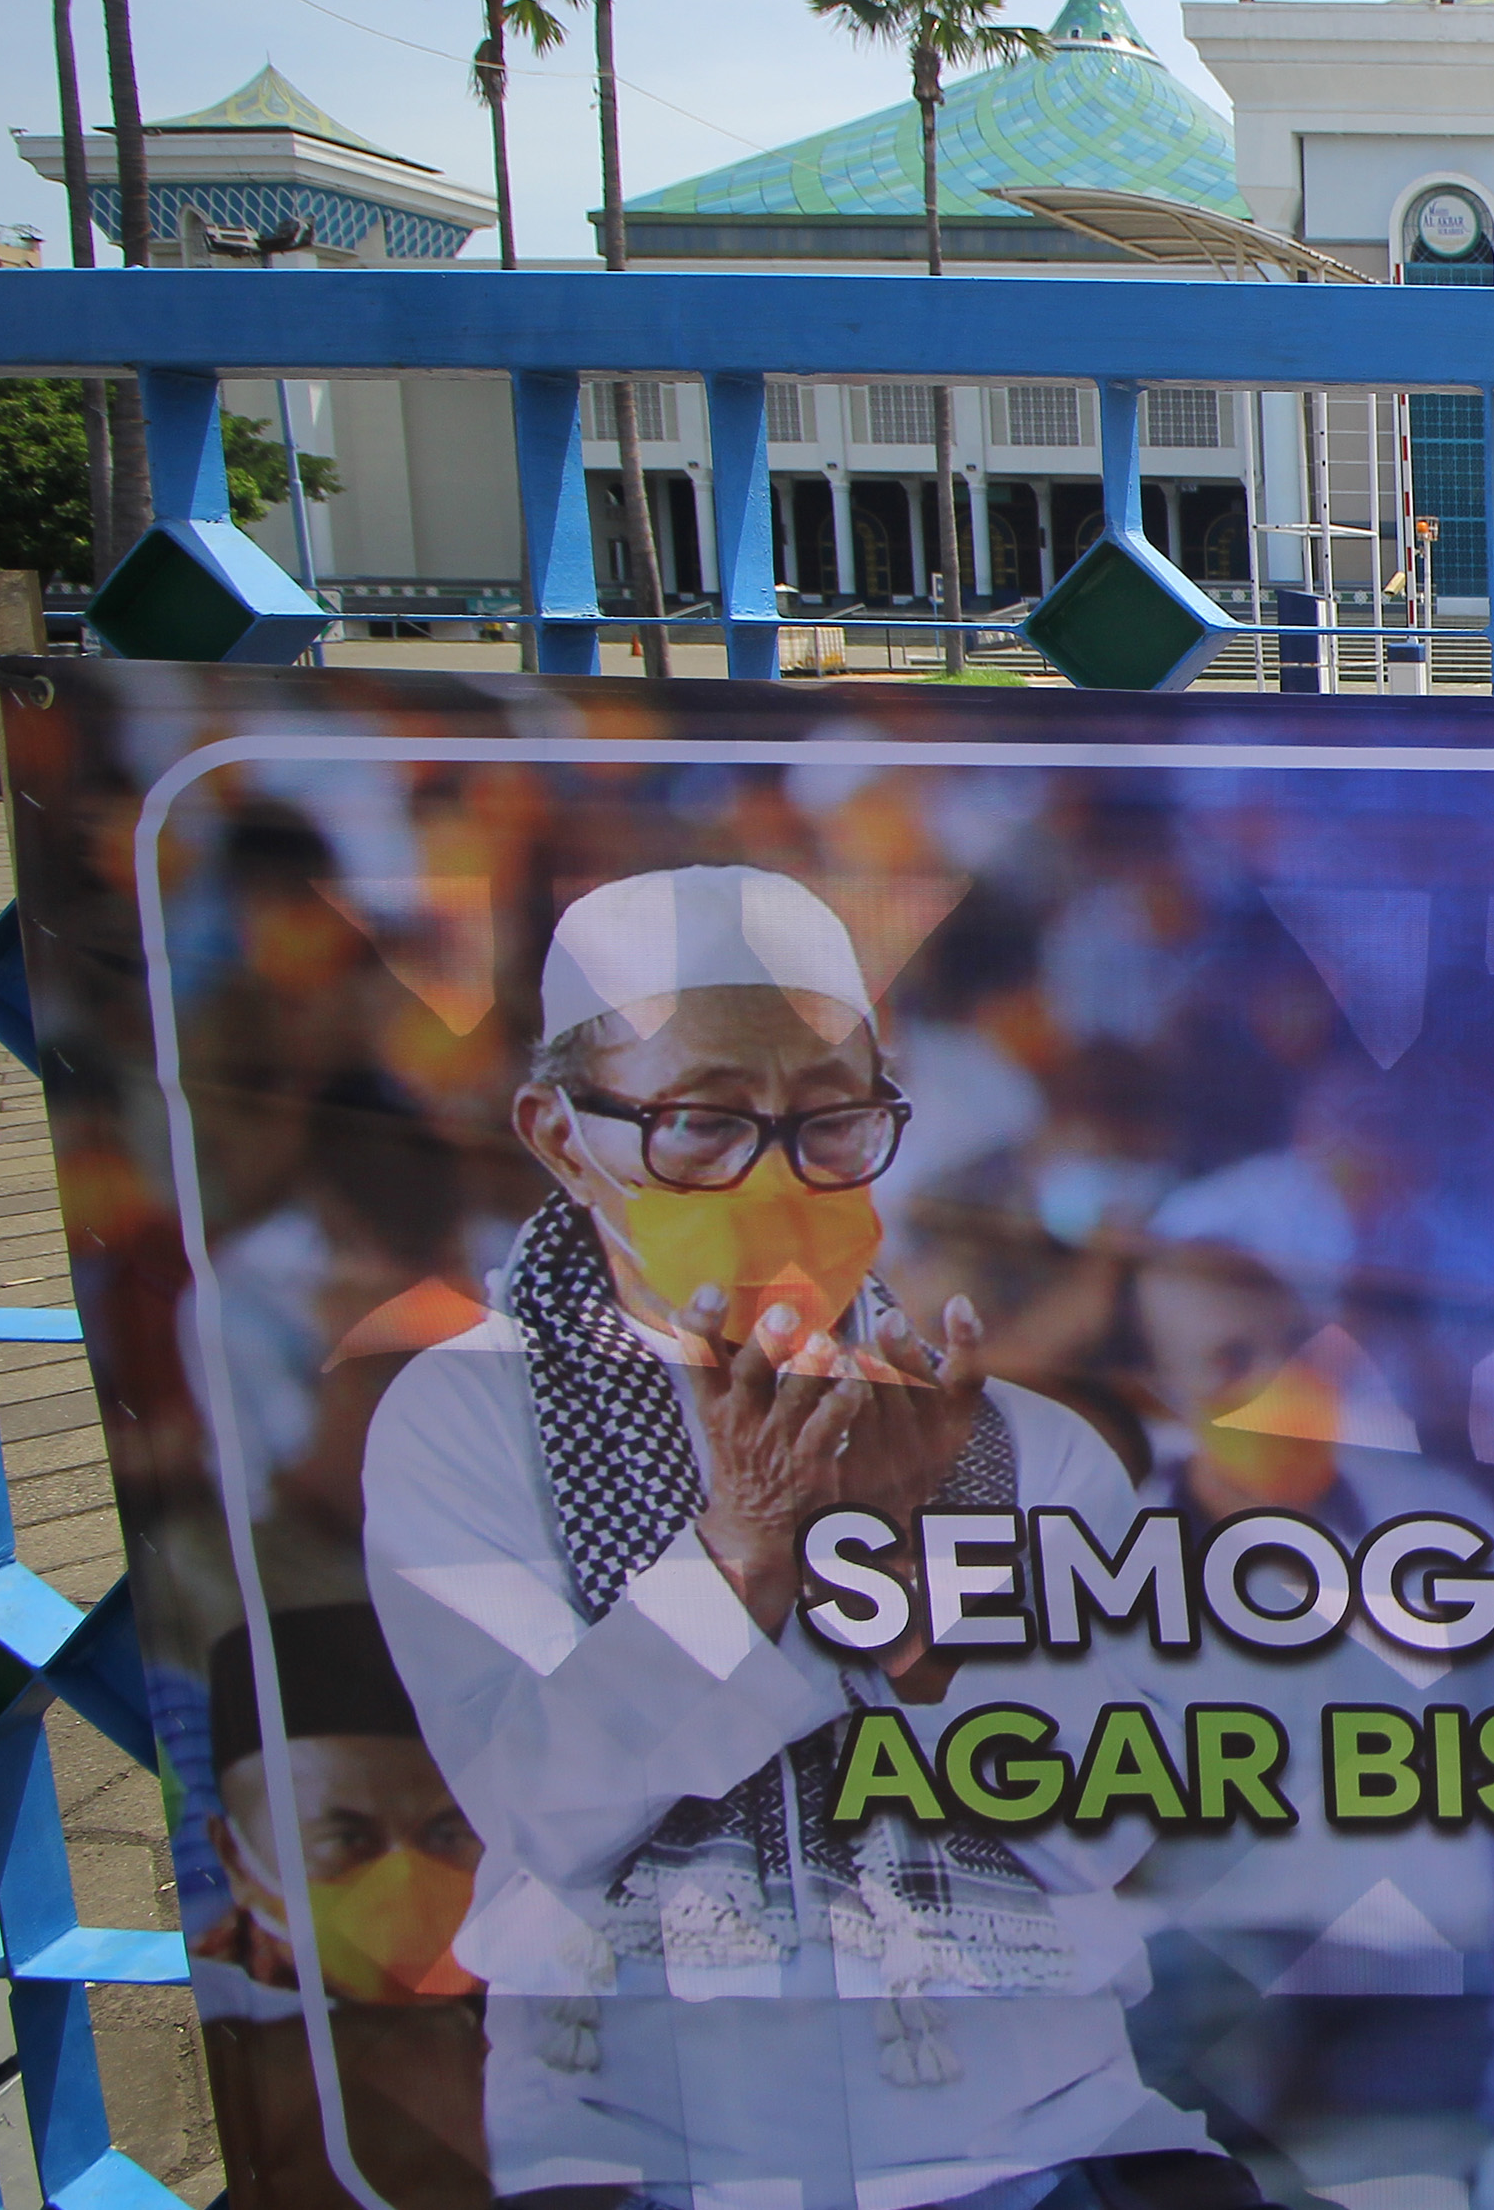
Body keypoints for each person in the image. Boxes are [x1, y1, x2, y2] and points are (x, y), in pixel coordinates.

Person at [361, 865, 1252, 2210]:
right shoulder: (466, 1417)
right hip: (640, 2144)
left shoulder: (1021, 1445)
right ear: (559, 1134)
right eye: (705, 1123)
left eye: (831, 1123)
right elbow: (543, 1806)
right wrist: (743, 1552)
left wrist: (908, 1577)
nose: (776, 1177)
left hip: (1035, 2128)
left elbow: (1108, 1828)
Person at [194, 1603, 494, 2210]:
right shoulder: (244, 2034)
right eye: (345, 1841)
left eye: (448, 1831)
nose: (403, 1880)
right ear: (235, 1858)